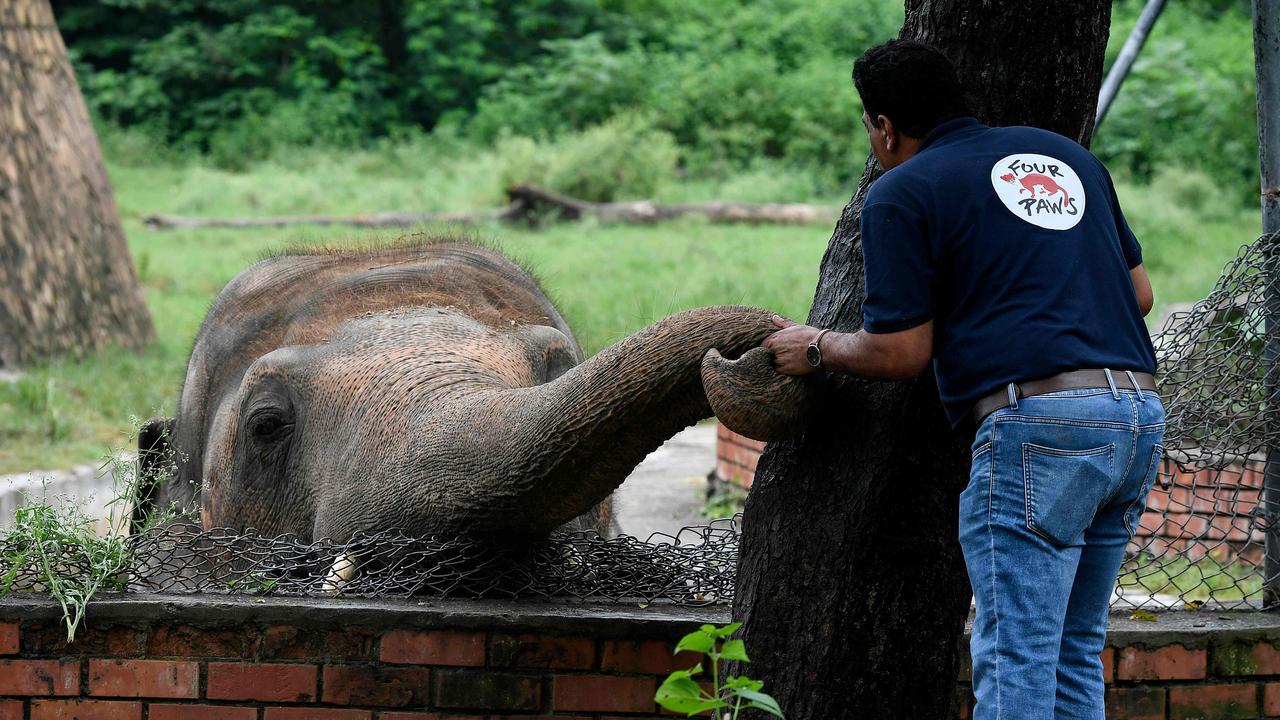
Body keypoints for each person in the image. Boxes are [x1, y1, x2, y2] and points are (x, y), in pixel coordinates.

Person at [764, 39, 1165, 720]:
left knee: (1018, 657)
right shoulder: (1066, 159)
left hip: (1039, 430)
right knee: (1073, 649)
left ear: (883, 127)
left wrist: (815, 348)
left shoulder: (900, 193)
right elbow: (1142, 295)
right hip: (1135, 416)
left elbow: (900, 353)